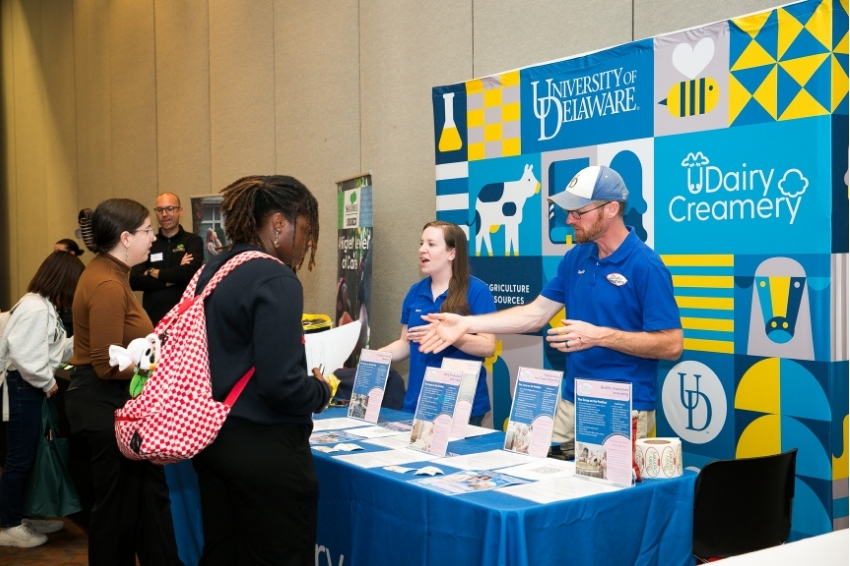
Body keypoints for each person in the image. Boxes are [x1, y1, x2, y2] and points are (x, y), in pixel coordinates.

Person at [420, 166, 683, 446]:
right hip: (574, 399)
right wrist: (467, 324)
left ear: (611, 209)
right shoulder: (576, 258)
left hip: (624, 405)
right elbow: (535, 314)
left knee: (608, 488)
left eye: (578, 212)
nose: (569, 219)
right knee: (535, 467)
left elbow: (671, 344)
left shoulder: (646, 265)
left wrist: (600, 336)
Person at [192, 175, 330, 565]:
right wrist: (320, 391)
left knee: (223, 553)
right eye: (306, 230)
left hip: (213, 442)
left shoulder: (213, 270)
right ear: (279, 224)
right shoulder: (275, 277)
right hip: (266, 454)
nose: (305, 243)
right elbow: (281, 384)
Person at [64, 198, 182, 566]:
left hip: (114, 403)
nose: (152, 238)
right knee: (116, 513)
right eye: (148, 231)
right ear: (126, 237)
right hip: (105, 403)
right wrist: (155, 365)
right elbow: (104, 363)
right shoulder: (106, 284)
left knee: (146, 503)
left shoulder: (111, 273)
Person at [0, 251, 84, 548]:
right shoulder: (36, 307)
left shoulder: (46, 307)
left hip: (30, 386)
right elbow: (24, 355)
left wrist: (83, 335)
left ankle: (22, 514)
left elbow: (54, 351)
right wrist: (48, 382)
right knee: (20, 458)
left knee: (31, 455)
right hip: (24, 387)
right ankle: (8, 524)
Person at [379, 221, 496, 425]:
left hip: (461, 405)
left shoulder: (477, 291)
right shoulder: (415, 292)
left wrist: (449, 335)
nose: (422, 250)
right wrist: (375, 358)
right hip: (416, 402)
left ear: (452, 253)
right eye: (421, 243)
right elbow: (406, 343)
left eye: (431, 244)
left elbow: (488, 346)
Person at [130, 193, 204, 326]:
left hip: (184, 320)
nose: (164, 214)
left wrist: (151, 271)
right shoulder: (149, 243)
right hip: (153, 321)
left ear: (180, 211)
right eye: (160, 210)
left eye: (170, 209)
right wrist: (170, 280)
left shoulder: (192, 241)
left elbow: (187, 273)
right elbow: (134, 280)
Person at [53, 239, 84, 336]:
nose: (55, 256)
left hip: (73, 320)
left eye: (59, 252)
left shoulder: (79, 270)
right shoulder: (55, 270)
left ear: (72, 253)